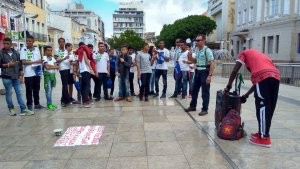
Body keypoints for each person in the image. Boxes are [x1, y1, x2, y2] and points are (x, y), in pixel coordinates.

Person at [224, 49, 280, 148]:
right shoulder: (261, 57)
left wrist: (228, 86)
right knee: (269, 107)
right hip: (275, 76)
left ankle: (264, 138)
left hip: (264, 77)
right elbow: (258, 83)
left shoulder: (244, 53)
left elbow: (235, 70)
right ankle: (262, 133)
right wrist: (246, 95)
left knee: (262, 106)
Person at [0, 37, 34, 116]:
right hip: (6, 76)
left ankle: (23, 109)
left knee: (19, 92)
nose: (5, 45)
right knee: (8, 93)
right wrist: (8, 65)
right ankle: (11, 109)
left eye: (7, 44)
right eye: (4, 43)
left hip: (16, 76)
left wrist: (21, 73)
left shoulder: (16, 53)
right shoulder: (1, 53)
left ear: (11, 44)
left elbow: (19, 64)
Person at [185, 34, 215, 116]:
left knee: (205, 92)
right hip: (197, 71)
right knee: (194, 90)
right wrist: (190, 57)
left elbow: (212, 63)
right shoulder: (197, 50)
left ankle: (205, 109)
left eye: (198, 40)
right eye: (196, 40)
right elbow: (195, 61)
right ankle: (192, 106)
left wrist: (210, 75)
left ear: (203, 41)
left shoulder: (207, 50)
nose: (196, 42)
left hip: (205, 72)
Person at [20, 35, 44, 111]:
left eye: (30, 41)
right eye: (27, 41)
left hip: (36, 72)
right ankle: (29, 104)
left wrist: (39, 70)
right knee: (29, 89)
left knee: (37, 89)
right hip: (28, 73)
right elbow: (23, 62)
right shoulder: (23, 49)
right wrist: (34, 62)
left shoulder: (37, 49)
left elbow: (39, 60)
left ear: (33, 41)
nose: (28, 42)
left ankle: (37, 103)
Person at [74, 42, 95, 108]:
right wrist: (90, 68)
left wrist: (77, 72)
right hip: (86, 70)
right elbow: (86, 60)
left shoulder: (77, 52)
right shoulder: (83, 50)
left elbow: (77, 63)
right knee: (86, 86)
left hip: (81, 71)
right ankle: (86, 101)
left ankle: (84, 100)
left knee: (83, 86)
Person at [54, 38, 71, 107]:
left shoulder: (66, 50)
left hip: (68, 68)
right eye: (60, 42)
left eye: (63, 42)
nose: (61, 43)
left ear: (64, 43)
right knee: (64, 84)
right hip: (62, 69)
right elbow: (56, 60)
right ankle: (64, 100)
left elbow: (69, 58)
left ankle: (66, 99)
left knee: (66, 84)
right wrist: (64, 58)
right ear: (58, 43)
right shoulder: (56, 50)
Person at [43, 46, 59, 111]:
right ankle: (48, 104)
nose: (49, 52)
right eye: (48, 50)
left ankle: (50, 103)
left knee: (51, 90)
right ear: (45, 51)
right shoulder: (44, 57)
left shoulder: (52, 58)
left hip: (52, 75)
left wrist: (52, 66)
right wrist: (54, 67)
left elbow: (56, 65)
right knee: (48, 90)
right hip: (47, 76)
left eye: (50, 50)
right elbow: (46, 67)